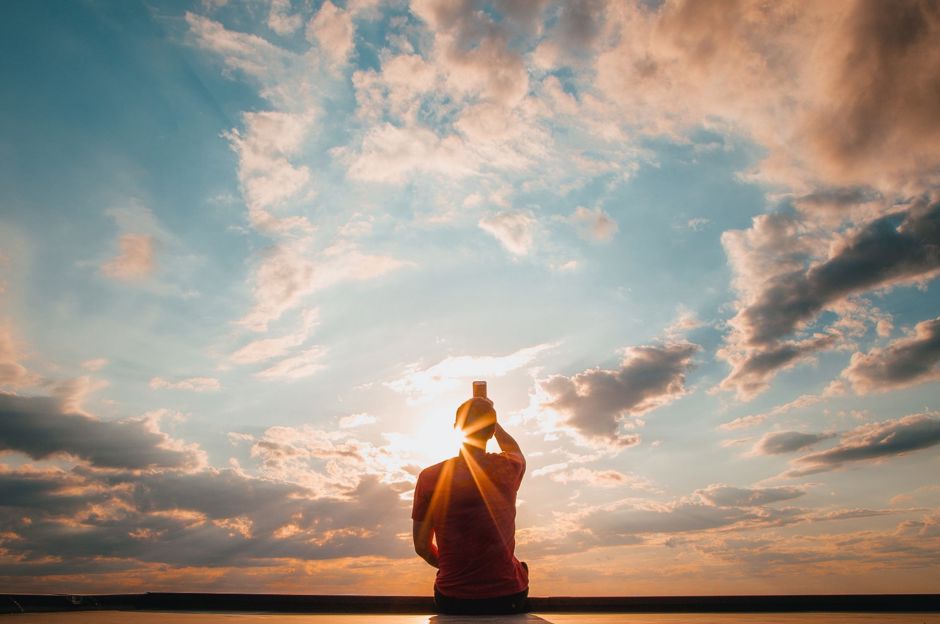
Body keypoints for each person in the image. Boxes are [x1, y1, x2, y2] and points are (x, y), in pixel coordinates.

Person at [411, 396, 529, 615]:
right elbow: (515, 450)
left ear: (457, 429)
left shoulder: (429, 477)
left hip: (452, 599)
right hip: (507, 598)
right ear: (492, 431)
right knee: (521, 569)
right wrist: (494, 421)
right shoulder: (508, 468)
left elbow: (422, 547)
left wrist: (456, 570)